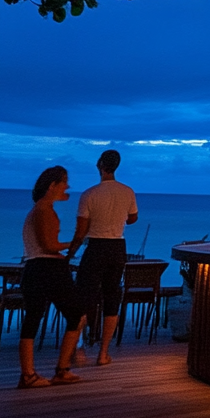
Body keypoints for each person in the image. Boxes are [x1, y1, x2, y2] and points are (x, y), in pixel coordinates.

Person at [67, 149, 138, 364]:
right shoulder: (127, 192)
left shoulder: (89, 194)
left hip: (95, 247)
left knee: (83, 298)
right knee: (111, 298)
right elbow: (133, 218)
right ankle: (103, 352)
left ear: (99, 165)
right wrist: (118, 218)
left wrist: (70, 253)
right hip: (118, 248)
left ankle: (77, 349)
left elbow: (80, 232)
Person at [18, 166, 86, 388]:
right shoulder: (44, 210)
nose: (68, 186)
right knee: (76, 315)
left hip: (35, 268)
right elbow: (49, 245)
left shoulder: (40, 210)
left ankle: (32, 374)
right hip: (46, 268)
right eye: (64, 182)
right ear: (52, 186)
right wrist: (75, 242)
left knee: (34, 318)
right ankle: (58, 370)